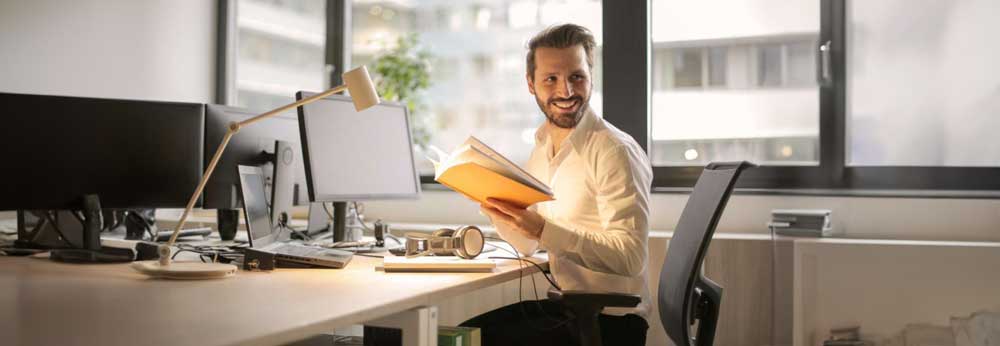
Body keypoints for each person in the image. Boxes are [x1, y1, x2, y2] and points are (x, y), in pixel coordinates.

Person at [461, 24, 653, 346]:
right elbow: (527, 247)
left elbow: (631, 258)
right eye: (551, 79)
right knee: (459, 334)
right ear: (530, 84)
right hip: (568, 308)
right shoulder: (542, 147)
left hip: (612, 322)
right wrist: (495, 207)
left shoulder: (614, 150)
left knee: (464, 341)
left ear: (591, 75)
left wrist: (542, 230)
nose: (566, 91)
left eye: (576, 76)